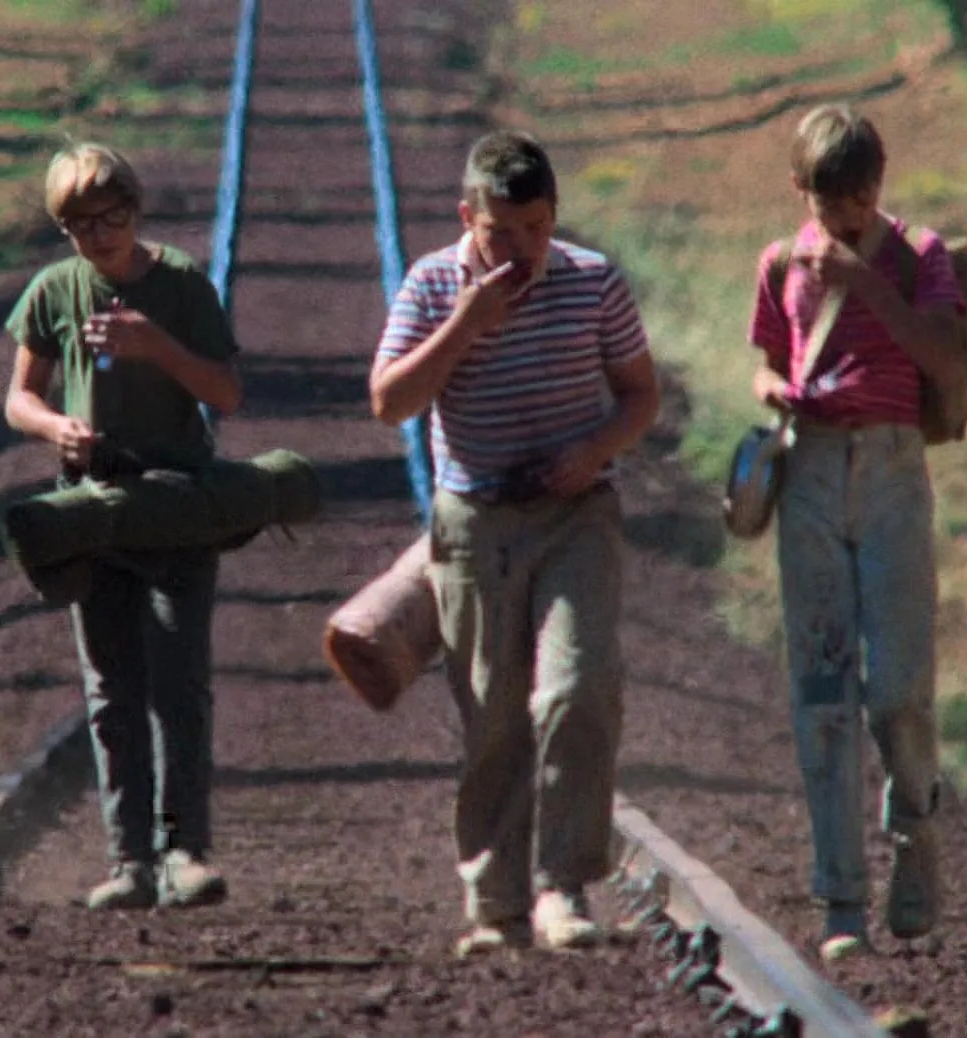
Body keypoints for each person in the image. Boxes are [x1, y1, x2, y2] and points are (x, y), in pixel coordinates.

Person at [369, 130, 661, 956]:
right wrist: (466, 323)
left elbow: (640, 396)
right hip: (476, 523)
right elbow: (389, 402)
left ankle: (562, 885)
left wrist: (595, 450)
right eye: (503, 232)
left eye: (537, 228)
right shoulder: (432, 285)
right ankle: (496, 904)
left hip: (577, 516)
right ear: (468, 218)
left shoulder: (593, 281)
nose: (523, 248)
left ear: (554, 216)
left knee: (577, 689)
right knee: (494, 715)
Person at [746, 103, 964, 958]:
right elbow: (770, 360)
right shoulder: (779, 263)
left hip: (891, 473)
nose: (846, 217)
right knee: (822, 692)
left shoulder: (919, 256)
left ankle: (916, 835)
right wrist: (773, 391)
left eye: (861, 200)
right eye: (829, 202)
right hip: (812, 470)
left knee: (901, 689)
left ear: (880, 185)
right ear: (799, 190)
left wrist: (865, 280)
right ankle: (841, 900)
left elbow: (942, 357)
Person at [3, 142, 243, 911]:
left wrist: (155, 346)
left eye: (111, 218)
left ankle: (185, 851)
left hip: (176, 504)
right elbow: (19, 399)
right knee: (110, 689)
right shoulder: (54, 290)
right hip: (92, 506)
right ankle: (129, 859)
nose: (99, 236)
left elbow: (226, 392)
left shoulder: (180, 282)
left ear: (135, 211)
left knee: (180, 683)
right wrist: (55, 428)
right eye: (80, 225)